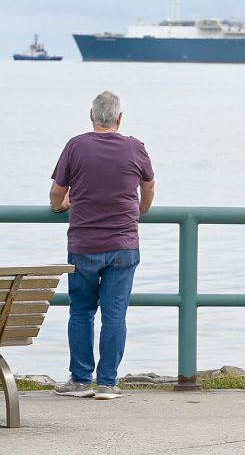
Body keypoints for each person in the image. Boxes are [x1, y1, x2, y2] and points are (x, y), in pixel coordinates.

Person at [50, 91, 156, 401]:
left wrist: (62, 205)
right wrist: (141, 209)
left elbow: (57, 193)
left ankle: (81, 380)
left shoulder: (76, 146)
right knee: (115, 315)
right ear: (120, 118)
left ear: (91, 116)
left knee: (81, 311)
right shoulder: (135, 148)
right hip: (124, 244)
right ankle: (107, 383)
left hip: (84, 244)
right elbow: (148, 186)